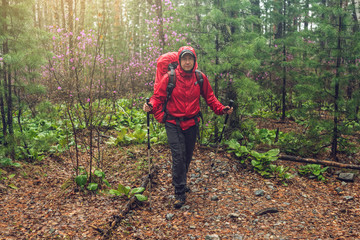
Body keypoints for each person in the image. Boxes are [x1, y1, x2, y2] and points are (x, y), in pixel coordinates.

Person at [143, 46, 233, 209]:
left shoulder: (200, 78)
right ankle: (179, 192)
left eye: (190, 59)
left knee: (187, 156)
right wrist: (151, 105)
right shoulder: (170, 78)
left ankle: (181, 181)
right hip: (173, 123)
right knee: (178, 156)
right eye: (184, 59)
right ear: (179, 60)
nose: (186, 62)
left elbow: (210, 97)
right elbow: (158, 96)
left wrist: (221, 109)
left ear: (194, 61)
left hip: (192, 123)